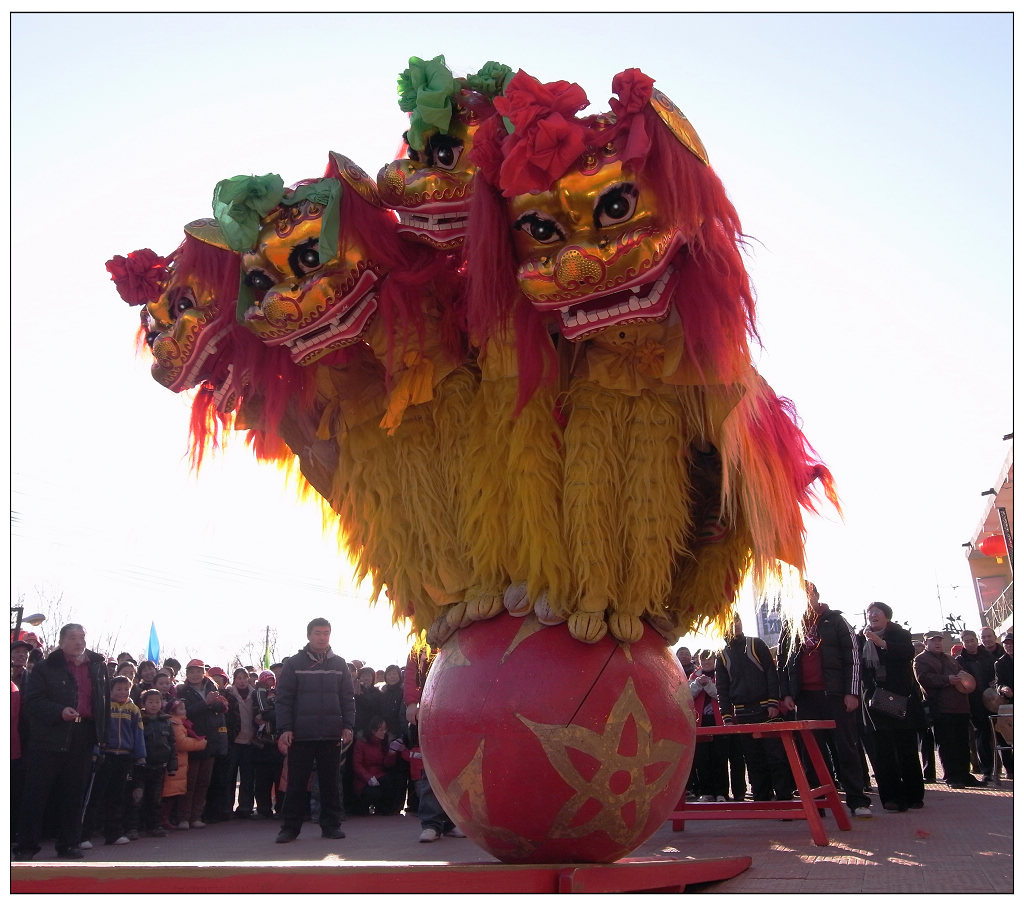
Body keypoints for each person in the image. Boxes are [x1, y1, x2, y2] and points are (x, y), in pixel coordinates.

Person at [14, 623, 109, 861]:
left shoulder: (97, 667)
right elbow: (33, 702)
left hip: (84, 736)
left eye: (82, 637)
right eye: (73, 638)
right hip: (49, 735)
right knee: (37, 794)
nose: (79, 642)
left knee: (74, 794)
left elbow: (103, 705)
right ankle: (26, 846)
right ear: (61, 641)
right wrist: (58, 711)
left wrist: (102, 737)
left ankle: (68, 844)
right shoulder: (46, 667)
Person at [778, 581, 872, 819]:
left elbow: (854, 656)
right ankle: (818, 802)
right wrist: (787, 693)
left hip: (837, 696)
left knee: (845, 747)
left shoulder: (836, 620)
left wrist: (852, 692)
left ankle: (857, 799)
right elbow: (783, 661)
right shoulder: (790, 625)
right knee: (811, 751)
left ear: (816, 596)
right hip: (805, 697)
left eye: (808, 595)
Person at [274, 617, 355, 844]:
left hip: (331, 733)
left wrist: (348, 725)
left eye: (326, 633)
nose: (322, 637)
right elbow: (284, 699)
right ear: (309, 635)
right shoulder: (294, 663)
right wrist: (285, 728)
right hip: (301, 734)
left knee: (330, 783)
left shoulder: (339, 664)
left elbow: (347, 698)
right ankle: (289, 828)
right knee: (296, 784)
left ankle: (331, 826)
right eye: (318, 633)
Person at [716, 614, 794, 805]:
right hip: (742, 713)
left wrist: (773, 703)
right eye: (731, 622)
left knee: (776, 756)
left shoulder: (756, 644)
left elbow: (771, 674)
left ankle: (784, 799)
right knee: (753, 759)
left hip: (766, 710)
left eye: (738, 620)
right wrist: (726, 715)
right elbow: (722, 689)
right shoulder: (722, 654)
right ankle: (762, 801)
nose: (736, 625)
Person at [859, 602, 925, 811]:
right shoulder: (861, 638)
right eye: (869, 613)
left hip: (901, 699)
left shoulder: (899, 634)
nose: (872, 615)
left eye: (877, 612)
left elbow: (907, 654)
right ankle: (891, 797)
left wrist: (881, 643)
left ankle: (914, 795)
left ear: (887, 616)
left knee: (906, 748)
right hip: (875, 701)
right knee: (883, 750)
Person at [405, 642, 464, 842]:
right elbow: (412, 675)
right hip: (431, 710)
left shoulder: (460, 635)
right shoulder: (421, 645)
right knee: (431, 767)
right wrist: (412, 703)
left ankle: (450, 821)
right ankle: (431, 823)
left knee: (455, 768)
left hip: (457, 710)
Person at [914, 632, 983, 788]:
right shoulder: (920, 660)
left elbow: (963, 675)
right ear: (926, 643)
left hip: (961, 707)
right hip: (941, 708)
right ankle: (951, 776)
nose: (937, 643)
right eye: (933, 641)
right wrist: (947, 680)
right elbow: (924, 679)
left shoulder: (950, 658)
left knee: (962, 743)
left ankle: (964, 774)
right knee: (947, 744)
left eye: (939, 640)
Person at [90, 675, 147, 846]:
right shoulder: (104, 707)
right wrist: (95, 750)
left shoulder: (134, 709)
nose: (122, 692)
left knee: (117, 796)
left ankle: (113, 833)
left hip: (124, 756)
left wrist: (140, 755)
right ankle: (85, 834)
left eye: (126, 689)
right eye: (118, 689)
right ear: (110, 690)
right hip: (105, 755)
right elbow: (96, 731)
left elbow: (139, 734)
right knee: (96, 795)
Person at [176, 659, 229, 828]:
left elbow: (222, 707)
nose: (195, 675)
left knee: (204, 781)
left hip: (211, 740)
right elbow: (186, 713)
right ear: (187, 673)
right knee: (189, 781)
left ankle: (196, 816)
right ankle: (184, 817)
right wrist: (206, 703)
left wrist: (216, 703)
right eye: (191, 671)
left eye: (198, 671)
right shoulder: (182, 691)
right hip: (192, 739)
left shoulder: (212, 687)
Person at [955, 629, 998, 782]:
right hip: (973, 703)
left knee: (1001, 734)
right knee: (982, 735)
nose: (970, 643)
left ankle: (1009, 768)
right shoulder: (959, 661)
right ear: (963, 643)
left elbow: (995, 676)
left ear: (976, 640)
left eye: (972, 640)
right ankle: (987, 770)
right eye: (966, 641)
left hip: (993, 699)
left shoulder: (988, 656)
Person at [161, 698, 207, 830]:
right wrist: (201, 743)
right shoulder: (175, 723)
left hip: (180, 763)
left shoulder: (182, 723)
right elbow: (181, 743)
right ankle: (164, 819)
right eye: (181, 709)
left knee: (173, 793)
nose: (184, 710)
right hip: (175, 763)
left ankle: (166, 818)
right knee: (168, 795)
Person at [689, 652, 728, 801]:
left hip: (719, 720)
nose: (706, 662)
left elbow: (722, 694)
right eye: (703, 659)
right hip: (700, 722)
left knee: (720, 758)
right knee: (702, 759)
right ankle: (706, 792)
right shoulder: (694, 677)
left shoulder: (722, 674)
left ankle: (721, 793)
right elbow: (687, 694)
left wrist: (709, 685)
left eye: (709, 659)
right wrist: (699, 684)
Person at [137, 688, 177, 837]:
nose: (154, 705)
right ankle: (134, 826)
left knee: (156, 798)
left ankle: (155, 825)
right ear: (143, 704)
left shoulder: (166, 721)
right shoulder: (139, 719)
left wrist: (172, 766)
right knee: (137, 797)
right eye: (150, 702)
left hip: (160, 765)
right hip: (142, 765)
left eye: (157, 701)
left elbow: (172, 744)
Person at [222, 667, 258, 819]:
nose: (242, 681)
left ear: (248, 679)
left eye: (244, 678)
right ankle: (226, 807)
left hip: (250, 741)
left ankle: (245, 807)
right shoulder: (229, 695)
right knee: (229, 775)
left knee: (248, 776)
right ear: (234, 680)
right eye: (238, 678)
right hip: (234, 741)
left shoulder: (256, 694)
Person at [352, 716, 405, 815]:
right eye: (381, 730)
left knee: (390, 782)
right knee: (372, 793)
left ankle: (386, 809)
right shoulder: (361, 743)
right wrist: (368, 778)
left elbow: (387, 764)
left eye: (385, 729)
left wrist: (391, 753)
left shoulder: (384, 743)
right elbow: (357, 765)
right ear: (373, 731)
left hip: (381, 776)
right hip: (364, 779)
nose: (384, 732)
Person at [252, 670, 283, 818]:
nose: (269, 682)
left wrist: (268, 714)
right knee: (262, 779)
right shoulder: (257, 693)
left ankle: (281, 808)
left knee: (279, 778)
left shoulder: (280, 694)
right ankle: (263, 809)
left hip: (277, 742)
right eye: (266, 680)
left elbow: (278, 714)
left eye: (271, 680)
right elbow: (260, 710)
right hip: (262, 743)